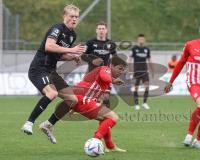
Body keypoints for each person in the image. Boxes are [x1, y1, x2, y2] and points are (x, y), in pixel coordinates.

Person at [21, 4, 86, 136]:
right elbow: (49, 46)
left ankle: (48, 125)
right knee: (52, 93)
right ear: (64, 16)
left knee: (72, 100)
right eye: (71, 16)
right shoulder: (57, 28)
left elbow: (59, 54)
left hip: (51, 70)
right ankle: (29, 123)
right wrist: (71, 50)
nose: (74, 19)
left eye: (76, 17)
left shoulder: (72, 35)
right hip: (39, 68)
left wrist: (73, 57)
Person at [40, 56, 127, 152]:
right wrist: (113, 80)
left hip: (81, 99)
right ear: (111, 66)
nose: (121, 72)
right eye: (119, 68)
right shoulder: (105, 69)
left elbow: (89, 86)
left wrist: (73, 107)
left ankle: (110, 146)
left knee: (106, 119)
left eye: (123, 70)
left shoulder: (108, 77)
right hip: (84, 99)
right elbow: (104, 77)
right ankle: (94, 142)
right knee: (113, 117)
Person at [164, 18, 200, 148]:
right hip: (194, 82)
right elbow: (180, 63)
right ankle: (189, 135)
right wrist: (170, 81)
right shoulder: (190, 45)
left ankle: (197, 141)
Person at [128, 34, 153, 110]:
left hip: (145, 71)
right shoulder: (134, 49)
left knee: (147, 86)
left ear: (144, 40)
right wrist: (130, 70)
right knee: (136, 88)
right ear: (138, 40)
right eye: (140, 39)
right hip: (136, 71)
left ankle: (144, 103)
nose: (141, 40)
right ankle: (136, 104)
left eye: (143, 39)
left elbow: (149, 60)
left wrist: (152, 69)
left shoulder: (147, 49)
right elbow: (129, 60)